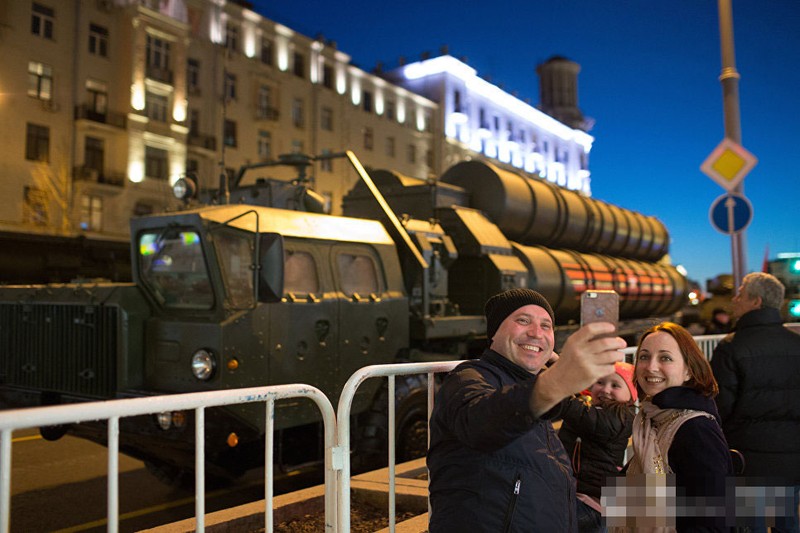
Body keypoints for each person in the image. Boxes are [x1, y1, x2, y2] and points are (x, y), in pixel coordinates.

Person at [427, 288, 626, 532]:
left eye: (546, 326)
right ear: (494, 332)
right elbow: (480, 422)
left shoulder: (531, 390)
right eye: (523, 320)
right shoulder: (468, 378)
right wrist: (557, 380)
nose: (536, 333)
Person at [711, 272, 800, 532]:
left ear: (756, 302)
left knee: (751, 526)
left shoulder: (732, 347)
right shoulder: (797, 345)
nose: (734, 299)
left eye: (740, 294)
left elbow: (719, 409)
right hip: (793, 459)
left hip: (749, 462)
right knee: (788, 522)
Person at [622, 322, 732, 531]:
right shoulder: (652, 418)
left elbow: (712, 522)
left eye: (665, 358)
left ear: (689, 371)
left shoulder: (696, 429)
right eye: (644, 356)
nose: (651, 366)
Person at [558, 362, 637, 533]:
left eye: (615, 385)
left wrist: (556, 391)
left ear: (631, 396)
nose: (605, 389)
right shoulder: (592, 409)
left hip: (593, 505)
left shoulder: (622, 416)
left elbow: (587, 418)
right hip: (578, 495)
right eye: (600, 382)